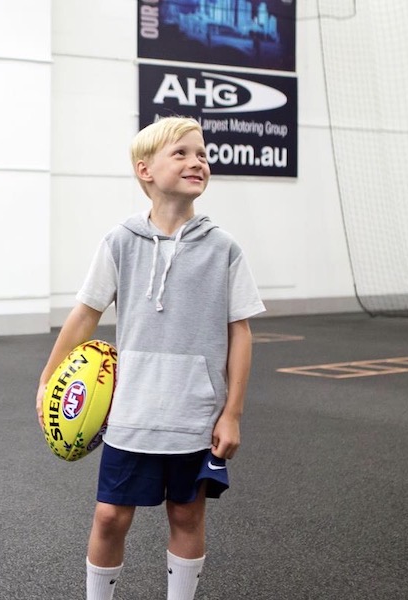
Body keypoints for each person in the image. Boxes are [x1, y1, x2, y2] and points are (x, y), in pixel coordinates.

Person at [36, 116, 266, 600]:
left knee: (186, 514)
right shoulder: (120, 241)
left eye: (201, 153)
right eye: (180, 153)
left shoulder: (224, 248)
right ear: (145, 170)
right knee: (109, 516)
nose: (196, 162)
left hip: (194, 414)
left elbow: (240, 333)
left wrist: (233, 413)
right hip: (132, 412)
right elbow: (84, 316)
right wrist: (47, 379)